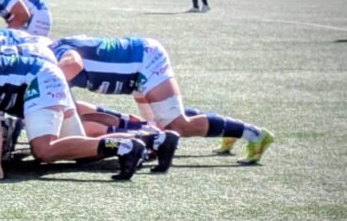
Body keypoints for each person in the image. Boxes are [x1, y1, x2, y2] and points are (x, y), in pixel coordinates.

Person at [0, 43, 159, 181]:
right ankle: (141, 142)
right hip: (41, 77)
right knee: (79, 151)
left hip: (38, 78)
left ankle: (128, 145)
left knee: (43, 150)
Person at [51, 35, 274, 164]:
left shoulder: (55, 56)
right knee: (157, 125)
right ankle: (229, 130)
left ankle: (254, 134)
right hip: (137, 66)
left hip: (144, 62)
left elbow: (73, 64)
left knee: (177, 125)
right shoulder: (51, 51)